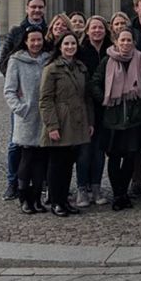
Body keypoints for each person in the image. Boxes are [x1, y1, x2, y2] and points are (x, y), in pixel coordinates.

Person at [93, 29, 141, 210]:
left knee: (131, 156)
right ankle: (118, 194)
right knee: (115, 157)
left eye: (129, 40)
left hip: (133, 118)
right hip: (113, 118)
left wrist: (138, 101)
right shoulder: (107, 60)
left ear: (133, 42)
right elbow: (94, 82)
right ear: (116, 42)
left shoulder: (140, 59)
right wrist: (106, 99)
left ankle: (123, 192)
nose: (126, 43)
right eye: (122, 40)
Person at [0, 0, 47, 201]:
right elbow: (4, 62)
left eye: (40, 7)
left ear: (44, 9)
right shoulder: (16, 32)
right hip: (24, 99)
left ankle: (42, 182)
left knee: (44, 143)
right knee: (16, 143)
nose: (37, 10)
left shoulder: (50, 31)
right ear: (27, 9)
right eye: (33, 7)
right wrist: (17, 86)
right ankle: (12, 183)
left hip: (45, 101)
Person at [39, 31, 93, 217]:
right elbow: (45, 100)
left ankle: (64, 200)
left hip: (77, 120)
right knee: (56, 164)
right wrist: (52, 126)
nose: (70, 47)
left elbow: (86, 97)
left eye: (73, 44)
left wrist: (90, 121)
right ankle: (56, 202)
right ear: (60, 47)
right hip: (60, 120)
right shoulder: (51, 68)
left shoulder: (80, 68)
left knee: (69, 163)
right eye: (66, 44)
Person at [3, 27, 50, 213]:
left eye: (39, 40)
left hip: (44, 116)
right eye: (33, 40)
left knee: (41, 159)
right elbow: (9, 90)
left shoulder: (47, 59)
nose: (36, 43)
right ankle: (24, 198)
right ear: (25, 41)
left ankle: (37, 198)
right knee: (26, 158)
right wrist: (21, 109)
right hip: (27, 116)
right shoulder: (16, 60)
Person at [75, 15, 111, 206]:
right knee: (84, 150)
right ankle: (82, 187)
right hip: (85, 106)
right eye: (93, 28)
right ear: (87, 31)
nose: (97, 31)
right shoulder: (80, 52)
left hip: (105, 107)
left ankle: (96, 186)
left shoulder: (112, 50)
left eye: (100, 28)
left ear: (106, 30)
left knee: (99, 150)